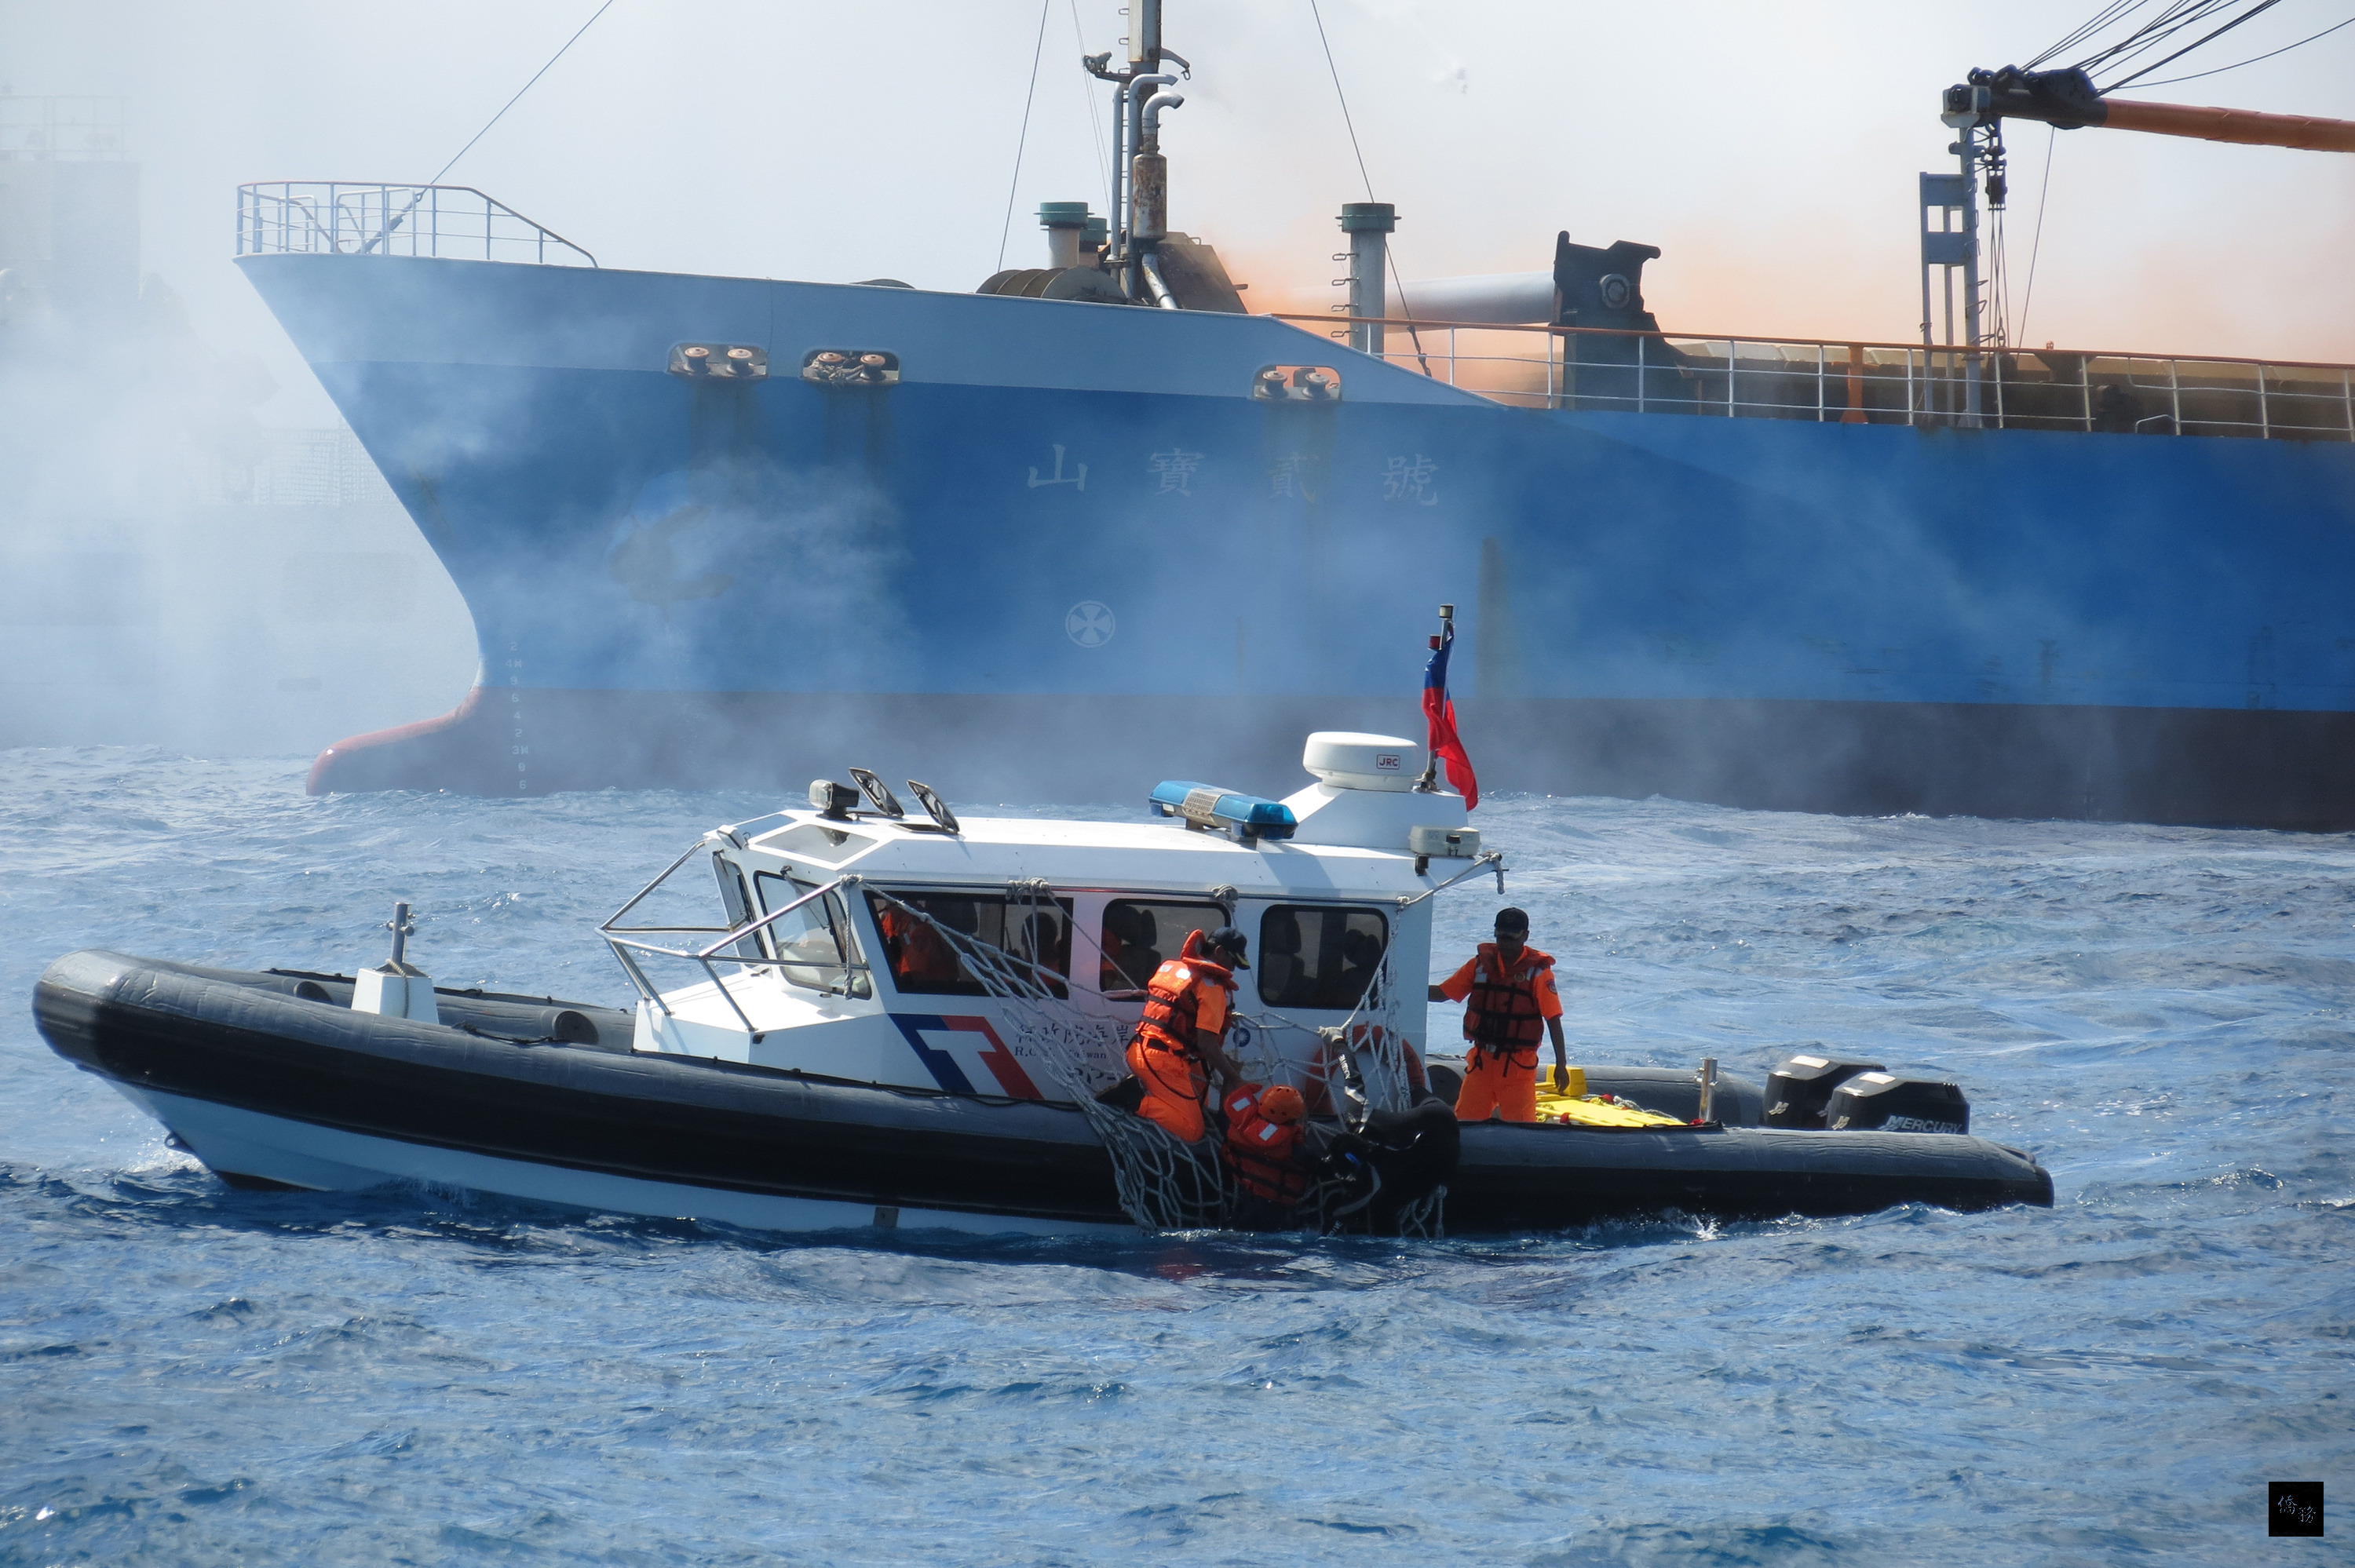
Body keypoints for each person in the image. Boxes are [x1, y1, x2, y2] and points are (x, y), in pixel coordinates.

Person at [1429, 906, 1567, 1123]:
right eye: (1501, 937)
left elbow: (1553, 1018)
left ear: (1525, 936)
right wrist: (1406, 988)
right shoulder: (1480, 965)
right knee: (1464, 1125)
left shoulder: (1538, 972)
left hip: (1518, 1067)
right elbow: (1443, 993)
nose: (1505, 944)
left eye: (1512, 938)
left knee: (1522, 1130)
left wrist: (1561, 1065)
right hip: (1481, 1063)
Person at [1124, 925, 1251, 1142]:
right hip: (1162, 1061)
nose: (1233, 968)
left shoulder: (1173, 967)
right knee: (1192, 1130)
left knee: (1202, 1101)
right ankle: (1134, 1100)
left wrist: (1225, 1063)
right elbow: (1206, 1042)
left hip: (1144, 1049)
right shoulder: (1211, 988)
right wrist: (1233, 1077)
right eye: (1233, 961)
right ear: (1219, 952)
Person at [1219, 1081, 1309, 1230]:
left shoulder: (1234, 1131)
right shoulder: (1297, 1151)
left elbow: (1223, 1112)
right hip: (1279, 1218)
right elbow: (1326, 1170)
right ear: (1296, 1119)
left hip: (1242, 1209)